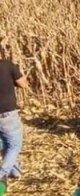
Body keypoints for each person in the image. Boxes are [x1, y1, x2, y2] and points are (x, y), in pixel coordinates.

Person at [0, 45, 28, 183]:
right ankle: (2, 174)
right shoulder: (7, 65)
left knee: (4, 143)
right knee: (14, 144)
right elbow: (23, 84)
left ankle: (14, 171)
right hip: (7, 113)